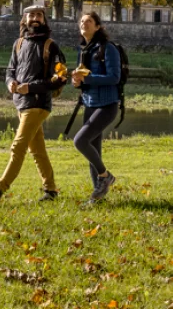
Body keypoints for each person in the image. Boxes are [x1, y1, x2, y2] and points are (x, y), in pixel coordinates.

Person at [0, 6, 67, 204]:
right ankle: (51, 190)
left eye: (39, 15)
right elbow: (10, 70)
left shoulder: (51, 46)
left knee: (18, 148)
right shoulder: (18, 44)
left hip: (38, 104)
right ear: (24, 19)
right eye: (31, 15)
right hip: (21, 104)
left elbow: (60, 79)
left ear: (44, 20)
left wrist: (30, 88)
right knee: (37, 150)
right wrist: (10, 83)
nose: (35, 18)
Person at [68, 12, 123, 204]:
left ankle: (105, 176)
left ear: (98, 26)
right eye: (82, 21)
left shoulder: (108, 49)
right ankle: (97, 198)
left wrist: (87, 78)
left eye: (89, 21)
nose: (84, 24)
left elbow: (114, 77)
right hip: (90, 103)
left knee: (80, 141)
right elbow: (84, 78)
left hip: (107, 105)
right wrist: (77, 83)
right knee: (94, 151)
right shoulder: (83, 50)